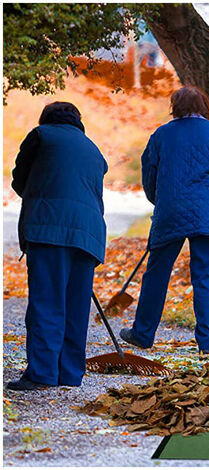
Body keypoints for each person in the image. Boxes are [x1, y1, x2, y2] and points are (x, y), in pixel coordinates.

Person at [120, 86, 209, 354]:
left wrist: (159, 200)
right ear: (205, 107)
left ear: (175, 107)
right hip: (208, 213)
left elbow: (150, 176)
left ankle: (143, 333)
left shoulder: (161, 135)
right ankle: (208, 342)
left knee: (156, 273)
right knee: (205, 276)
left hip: (169, 211)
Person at [7, 102, 108, 391]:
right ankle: (70, 374)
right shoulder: (93, 149)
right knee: (76, 306)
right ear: (78, 121)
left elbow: (19, 180)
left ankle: (41, 374)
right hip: (88, 234)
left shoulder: (41, 135)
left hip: (49, 229)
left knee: (47, 301)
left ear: (47, 118)